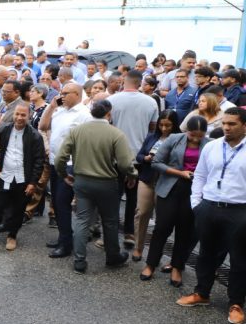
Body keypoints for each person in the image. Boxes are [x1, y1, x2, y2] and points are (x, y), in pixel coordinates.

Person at [177, 107, 246, 324]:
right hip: (209, 207)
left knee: (239, 259)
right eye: (224, 123)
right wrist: (197, 204)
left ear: (244, 125)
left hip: (239, 210)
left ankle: (235, 303)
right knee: (205, 254)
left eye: (232, 124)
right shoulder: (212, 147)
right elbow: (200, 175)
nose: (226, 127)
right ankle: (202, 293)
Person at [55, 99, 138, 274]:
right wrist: (132, 175)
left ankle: (79, 260)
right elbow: (124, 163)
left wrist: (64, 175)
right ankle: (112, 256)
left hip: (82, 181)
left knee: (82, 220)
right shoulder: (116, 134)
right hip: (107, 183)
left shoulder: (77, 131)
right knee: (109, 221)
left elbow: (60, 158)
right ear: (109, 114)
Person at [142, 114, 209, 286]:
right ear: (187, 130)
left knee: (185, 231)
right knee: (162, 227)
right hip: (171, 187)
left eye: (200, 136)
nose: (195, 139)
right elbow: (156, 162)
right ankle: (151, 264)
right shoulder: (174, 139)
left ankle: (177, 267)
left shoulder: (209, 144)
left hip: (195, 191)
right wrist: (179, 173)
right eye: (192, 134)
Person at [0, 104, 44, 250]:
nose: (20, 118)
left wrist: (33, 183)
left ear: (29, 116)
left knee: (19, 208)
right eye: (17, 114)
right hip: (3, 175)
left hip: (23, 178)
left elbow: (39, 161)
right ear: (13, 114)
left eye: (23, 115)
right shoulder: (2, 130)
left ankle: (12, 236)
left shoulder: (35, 136)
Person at [108, 69, 159, 247]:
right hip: (139, 156)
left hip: (114, 155)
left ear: (124, 80)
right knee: (133, 198)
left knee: (113, 196)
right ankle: (129, 233)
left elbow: (107, 125)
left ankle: (110, 232)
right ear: (140, 83)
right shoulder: (151, 102)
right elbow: (153, 130)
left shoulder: (112, 100)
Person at [40, 83, 92, 258]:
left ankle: (66, 244)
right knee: (56, 201)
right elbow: (43, 126)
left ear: (76, 94)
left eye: (65, 93)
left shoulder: (84, 114)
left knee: (62, 203)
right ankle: (64, 238)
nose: (61, 96)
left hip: (71, 164)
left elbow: (87, 143)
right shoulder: (60, 110)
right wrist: (52, 106)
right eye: (61, 93)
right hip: (55, 161)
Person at [132, 109, 179, 263]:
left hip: (166, 182)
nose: (164, 128)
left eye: (168, 125)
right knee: (142, 212)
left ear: (175, 125)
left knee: (162, 220)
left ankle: (155, 253)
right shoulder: (151, 137)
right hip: (147, 178)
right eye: (161, 125)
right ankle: (138, 248)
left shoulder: (179, 139)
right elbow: (138, 155)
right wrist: (145, 158)